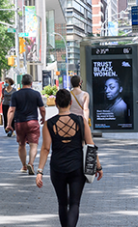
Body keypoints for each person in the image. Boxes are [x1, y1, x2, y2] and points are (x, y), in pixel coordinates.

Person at [35, 89, 103, 227]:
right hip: (77, 167)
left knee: (62, 203)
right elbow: (90, 145)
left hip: (57, 167)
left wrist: (40, 171)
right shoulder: (80, 121)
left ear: (56, 103)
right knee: (74, 203)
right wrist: (98, 166)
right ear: (71, 102)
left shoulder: (48, 124)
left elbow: (46, 148)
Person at [5, 74, 46, 175]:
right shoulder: (36, 94)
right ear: (31, 83)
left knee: (21, 145)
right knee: (34, 145)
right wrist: (43, 118)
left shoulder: (15, 94)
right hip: (33, 122)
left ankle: (23, 166)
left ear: (22, 83)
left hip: (20, 123)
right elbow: (42, 109)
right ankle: (31, 163)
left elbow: (11, 110)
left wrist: (9, 124)